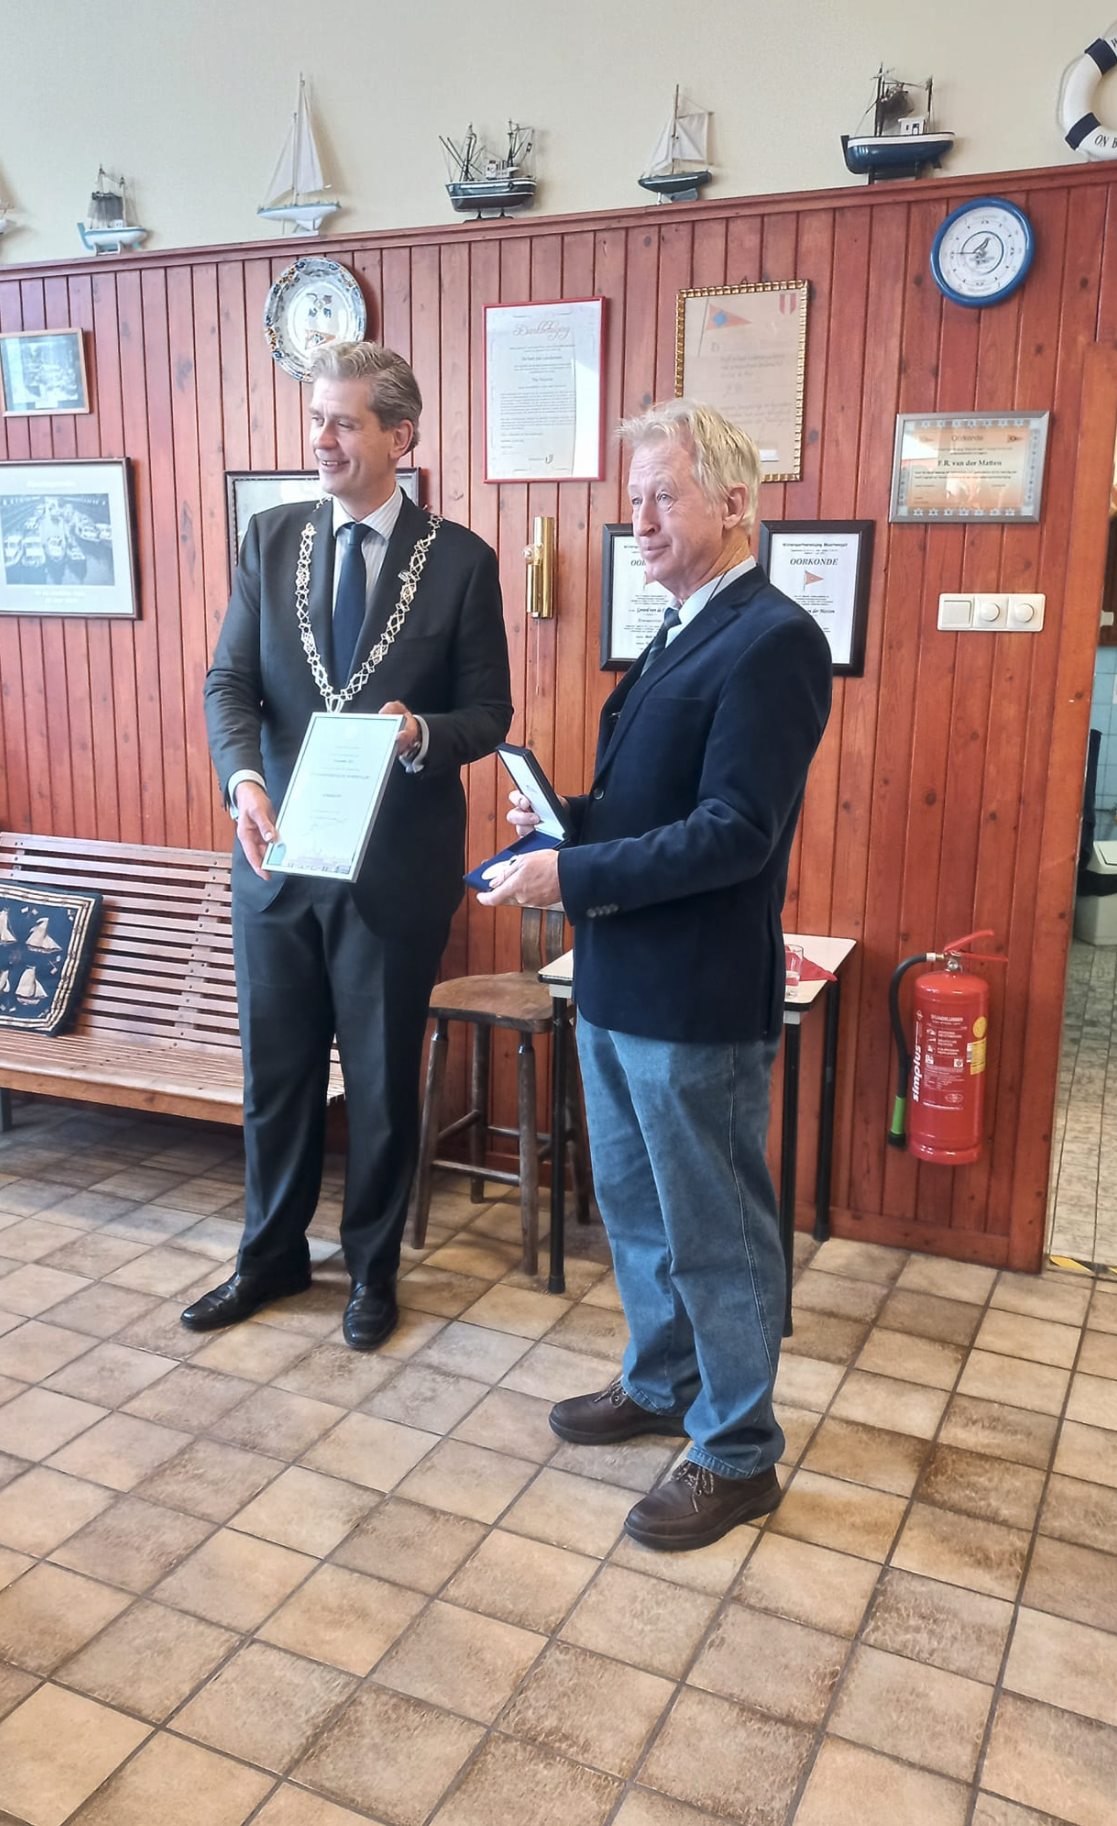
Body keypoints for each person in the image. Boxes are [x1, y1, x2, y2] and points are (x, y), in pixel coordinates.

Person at [480, 398, 831, 1549]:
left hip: (693, 998)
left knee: (714, 1229)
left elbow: (733, 831)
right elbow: (650, 806)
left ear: (731, 502)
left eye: (660, 495)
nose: (637, 519)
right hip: (614, 980)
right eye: (629, 499)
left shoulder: (771, 638)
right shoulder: (679, 628)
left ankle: (735, 1450)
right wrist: (565, 822)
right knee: (634, 1212)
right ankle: (660, 1379)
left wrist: (569, 872)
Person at [189, 341, 512, 1350]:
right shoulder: (270, 538)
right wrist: (244, 781)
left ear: (399, 435)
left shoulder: (459, 560)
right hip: (277, 859)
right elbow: (230, 683)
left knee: (377, 1081)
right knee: (277, 1076)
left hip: (394, 872)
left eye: (342, 421)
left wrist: (422, 734)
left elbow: (489, 713)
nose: (320, 439)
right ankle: (269, 1256)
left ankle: (372, 1268)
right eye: (314, 418)